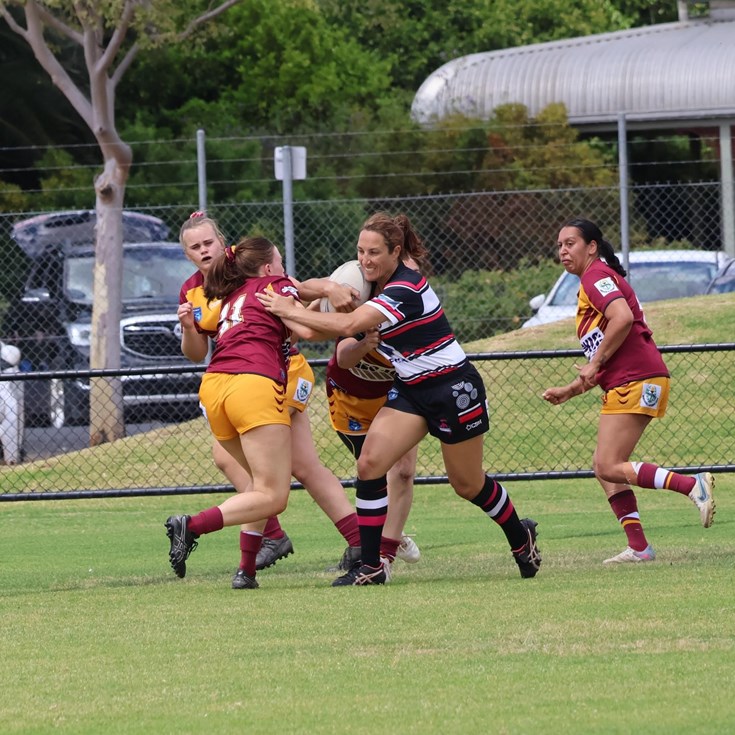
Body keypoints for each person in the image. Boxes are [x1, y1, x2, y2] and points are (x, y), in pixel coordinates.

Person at [258, 211, 541, 585]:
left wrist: (289, 309)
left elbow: (346, 327)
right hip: (411, 388)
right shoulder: (368, 278)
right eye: (360, 251)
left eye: (374, 252)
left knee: (468, 484)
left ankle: (522, 540)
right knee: (370, 464)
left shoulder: (404, 288)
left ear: (396, 253)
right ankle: (372, 567)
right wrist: (325, 288)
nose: (365, 260)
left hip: (453, 388)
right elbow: (306, 286)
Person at [172, 218, 361, 588]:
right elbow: (195, 353)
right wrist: (189, 329)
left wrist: (330, 287)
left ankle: (260, 550)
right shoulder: (193, 292)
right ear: (186, 254)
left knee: (278, 473)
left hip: (281, 370)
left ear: (222, 241)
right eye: (195, 247)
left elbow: (296, 290)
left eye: (209, 242)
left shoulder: (245, 263)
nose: (204, 250)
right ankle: (350, 542)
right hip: (242, 375)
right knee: (279, 469)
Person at [541, 217, 715, 564]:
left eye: (571, 243)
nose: (563, 250)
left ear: (591, 247)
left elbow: (621, 319)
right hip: (635, 378)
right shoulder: (592, 281)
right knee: (603, 466)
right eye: (559, 244)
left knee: (608, 464)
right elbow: (604, 352)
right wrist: (572, 389)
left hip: (638, 379)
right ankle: (639, 547)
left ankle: (692, 485)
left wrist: (594, 364)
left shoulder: (595, 277)